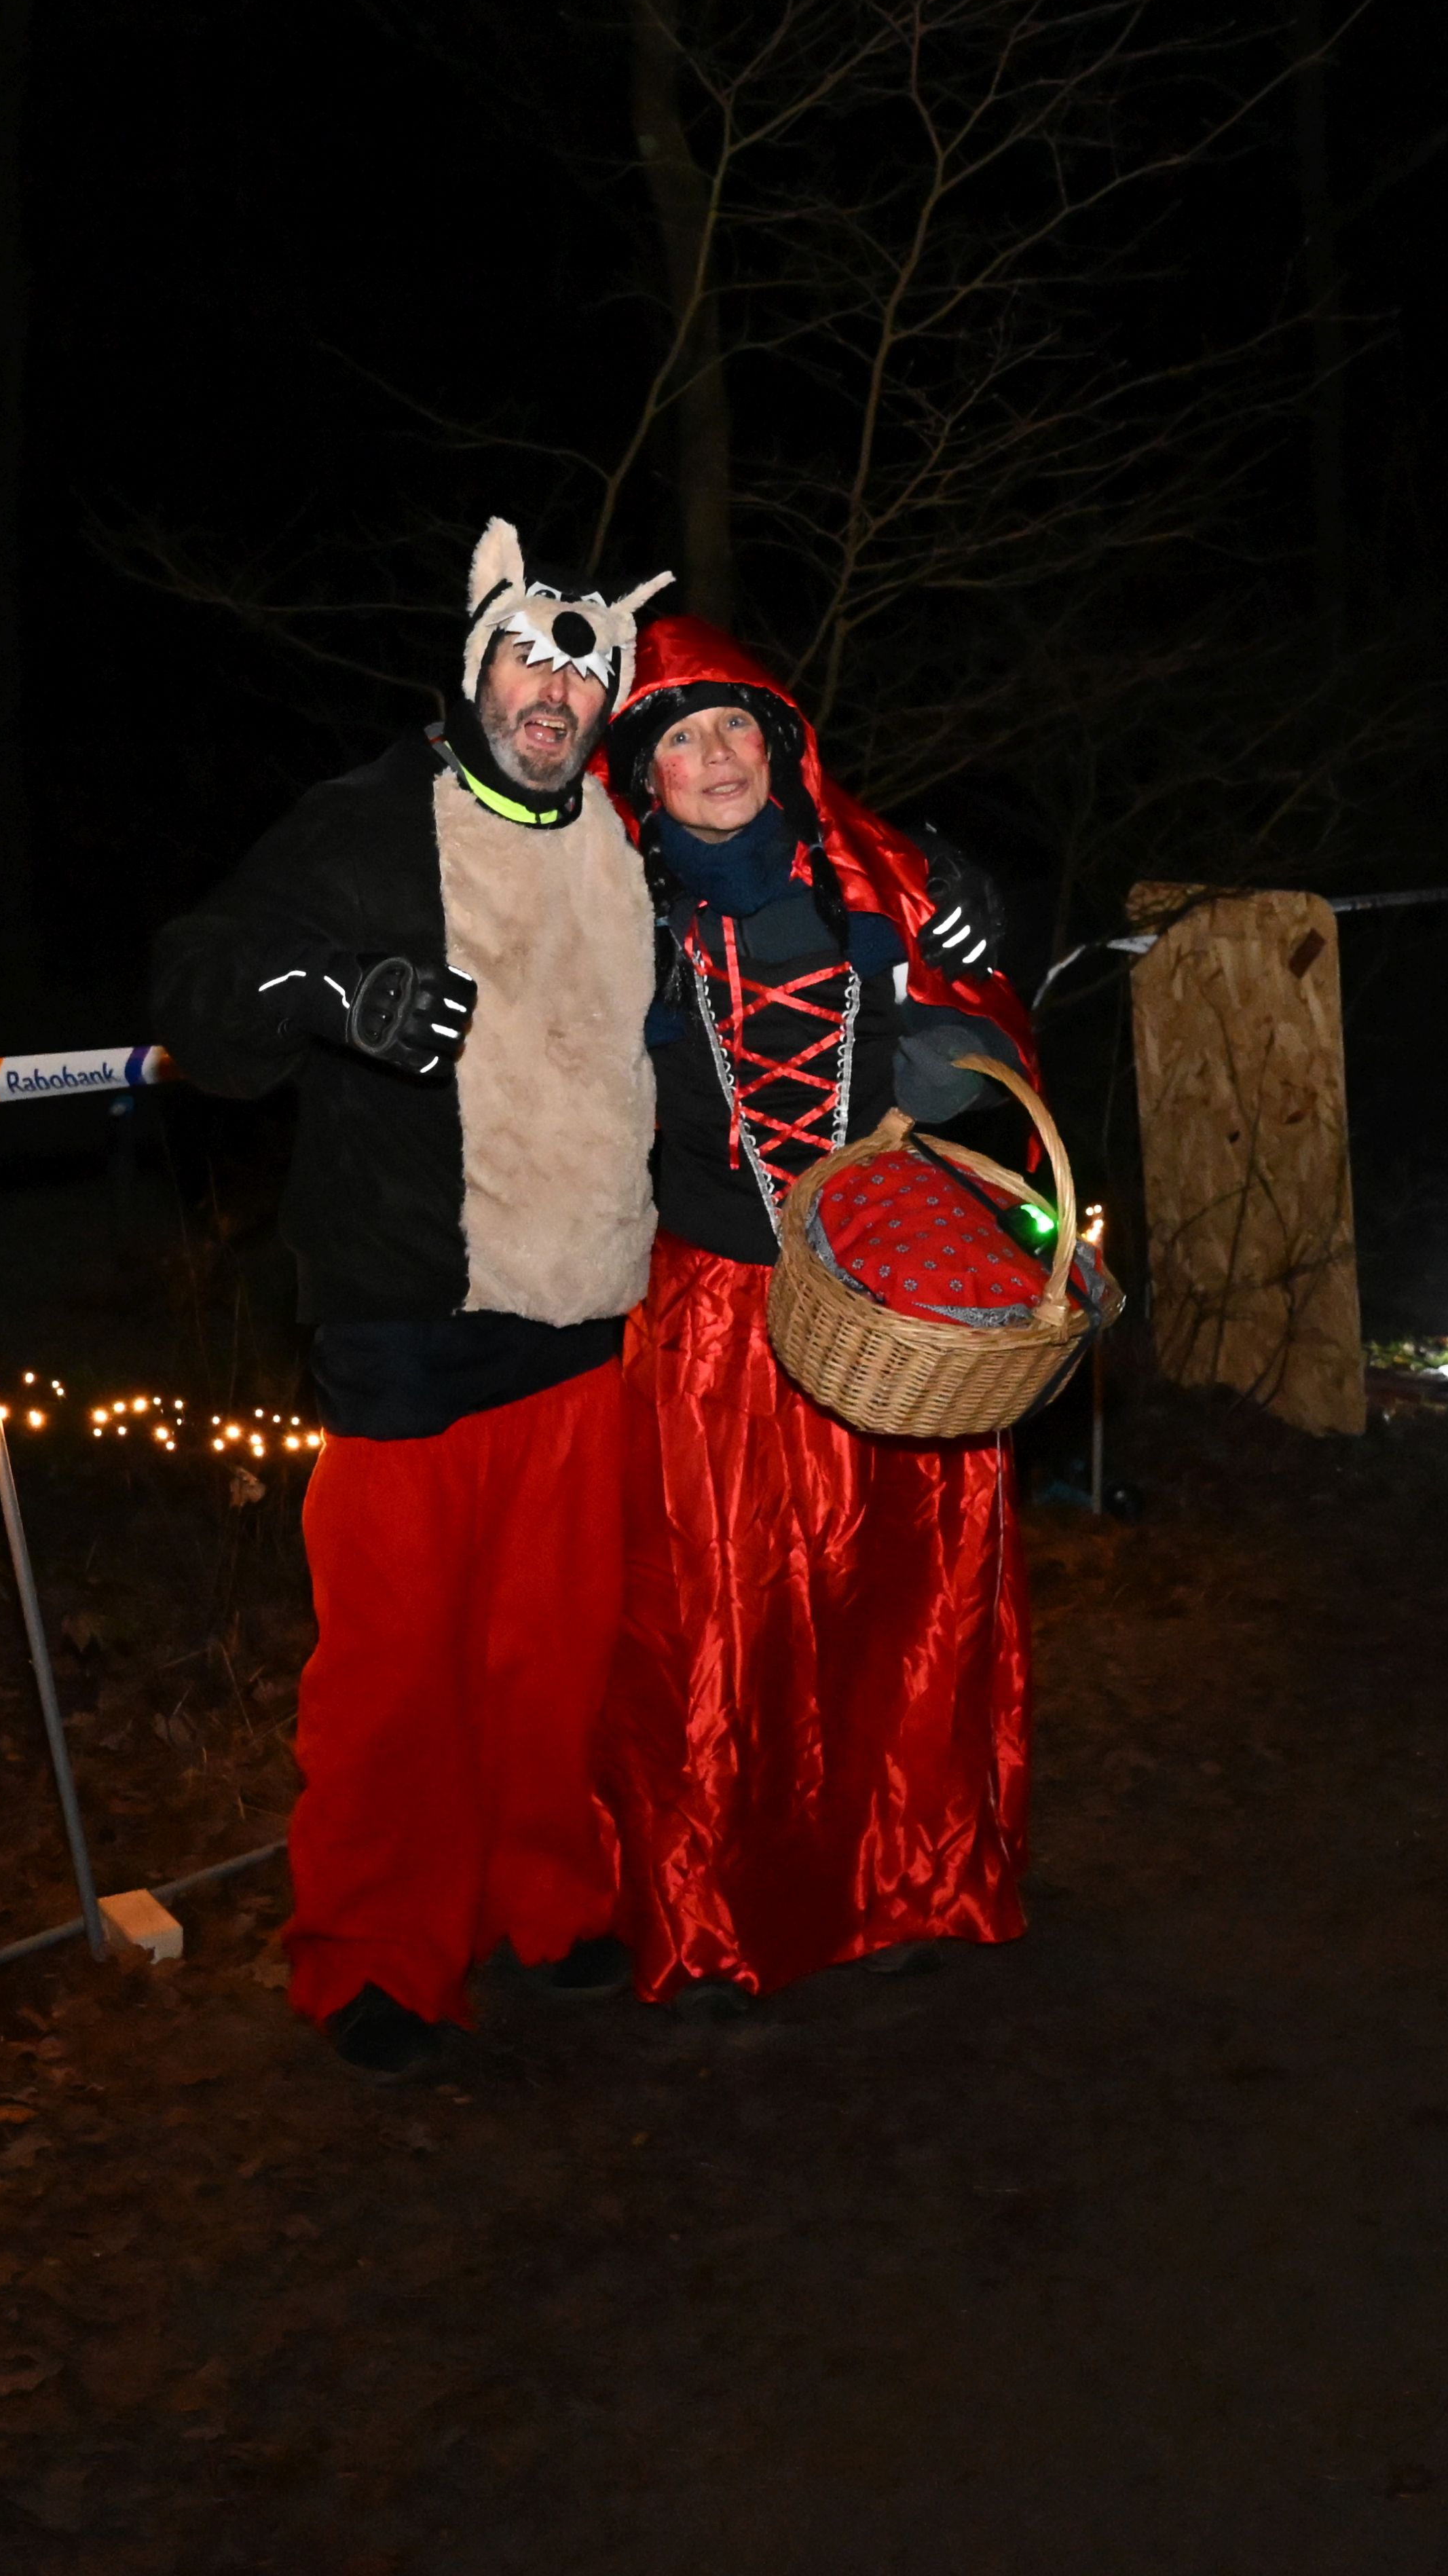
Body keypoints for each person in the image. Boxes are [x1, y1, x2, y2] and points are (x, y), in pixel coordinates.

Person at [148, 519, 672, 2080]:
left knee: (556, 1657)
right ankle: (377, 1948)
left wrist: (943, 901)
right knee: (395, 1674)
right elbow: (198, 982)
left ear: (605, 702)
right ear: (475, 665)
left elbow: (779, 885)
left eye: (583, 676)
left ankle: (547, 1899)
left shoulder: (628, 841)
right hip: (410, 1317)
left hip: (586, 1318)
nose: (553, 695)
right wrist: (331, 994)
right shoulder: (372, 821)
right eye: (527, 660)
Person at [594, 614, 1045, 2004]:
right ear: (645, 775)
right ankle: (714, 1910)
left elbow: (983, 1047)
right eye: (683, 738)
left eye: (736, 725)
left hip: (882, 1295)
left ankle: (904, 1878)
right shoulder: (608, 913)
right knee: (716, 1624)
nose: (718, 755)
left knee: (895, 1602)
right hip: (710, 1321)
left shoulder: (879, 882)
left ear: (781, 743)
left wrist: (971, 974)